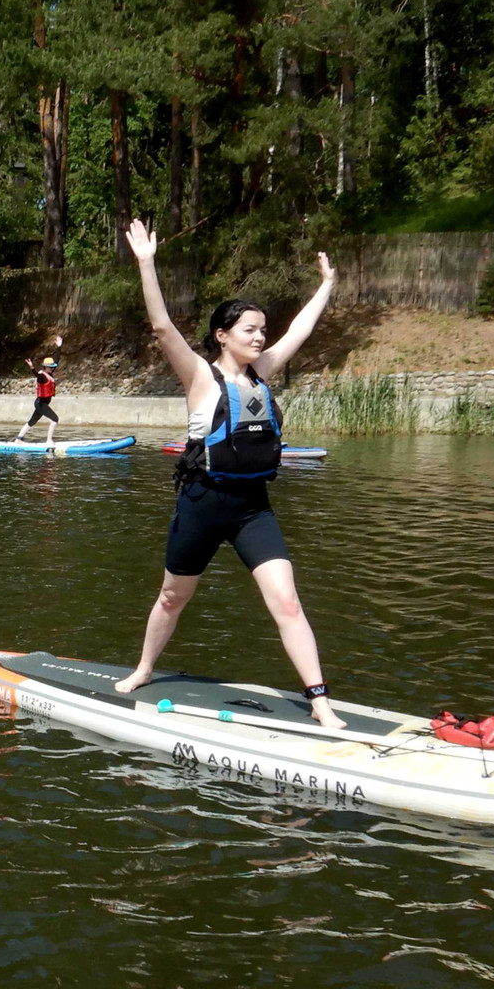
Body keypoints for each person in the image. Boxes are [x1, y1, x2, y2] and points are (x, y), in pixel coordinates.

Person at [110, 220, 344, 729]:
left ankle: (320, 700)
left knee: (286, 598)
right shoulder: (199, 375)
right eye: (250, 330)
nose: (261, 337)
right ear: (222, 336)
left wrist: (326, 286)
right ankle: (145, 669)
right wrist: (147, 264)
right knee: (173, 595)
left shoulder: (265, 372)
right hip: (202, 501)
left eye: (263, 330)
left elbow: (300, 329)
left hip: (252, 506)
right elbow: (161, 328)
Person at [14, 337, 63, 444]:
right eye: (50, 367)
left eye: (52, 367)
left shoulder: (49, 373)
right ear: (45, 367)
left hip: (43, 403)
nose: (52, 368)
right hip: (41, 403)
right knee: (55, 420)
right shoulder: (42, 376)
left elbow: (57, 360)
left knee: (32, 421)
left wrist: (59, 347)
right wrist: (32, 368)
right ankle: (49, 441)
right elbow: (36, 375)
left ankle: (19, 439)